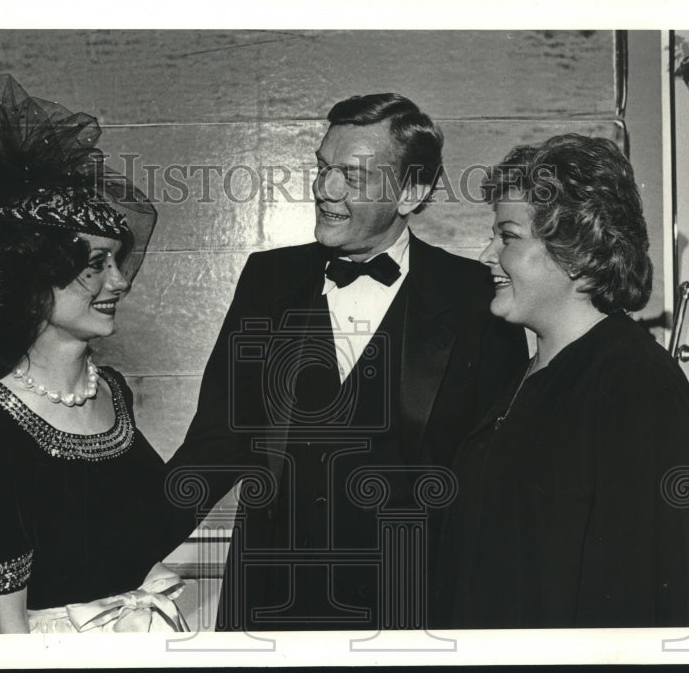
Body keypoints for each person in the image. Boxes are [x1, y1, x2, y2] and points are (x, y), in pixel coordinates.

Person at [164, 94, 528, 631]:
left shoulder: (477, 296)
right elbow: (216, 441)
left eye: (352, 177)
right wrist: (113, 552)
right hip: (272, 603)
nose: (324, 191)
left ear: (412, 192)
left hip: (416, 609)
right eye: (322, 168)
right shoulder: (267, 280)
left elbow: (495, 480)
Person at [0, 75, 187, 634]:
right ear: (31, 278)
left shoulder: (113, 392)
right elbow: (3, 625)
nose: (119, 283)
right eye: (95, 265)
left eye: (116, 262)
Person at [433, 133, 689, 628]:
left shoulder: (635, 382)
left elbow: (644, 591)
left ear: (578, 255)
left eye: (509, 236)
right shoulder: (532, 374)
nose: (485, 255)